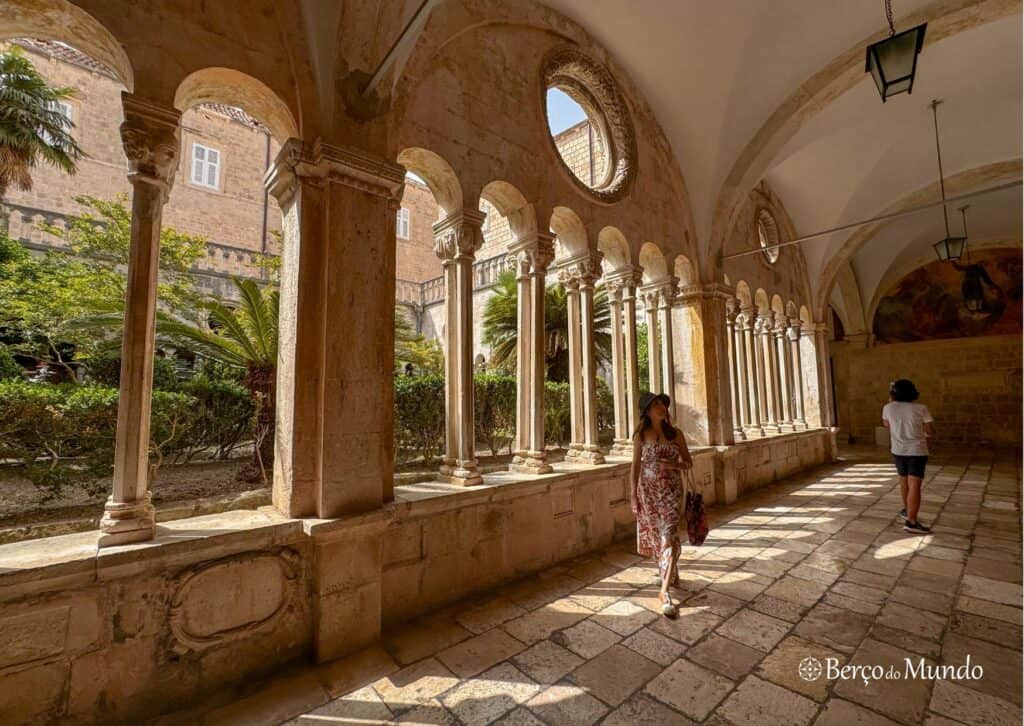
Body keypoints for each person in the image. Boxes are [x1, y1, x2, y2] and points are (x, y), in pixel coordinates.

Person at [631, 392, 693, 618]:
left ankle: (664, 592)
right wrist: (633, 495)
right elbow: (635, 466)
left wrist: (672, 465)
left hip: (671, 493)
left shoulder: (675, 434)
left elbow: (688, 463)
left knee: (668, 536)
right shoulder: (641, 434)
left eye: (662, 404)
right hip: (648, 494)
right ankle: (671, 573)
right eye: (656, 404)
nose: (661, 407)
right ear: (647, 411)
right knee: (659, 538)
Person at [882, 379, 934, 534]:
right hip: (916, 451)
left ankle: (907, 510)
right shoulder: (921, 408)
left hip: (898, 450)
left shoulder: (888, 408)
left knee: (904, 482)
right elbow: (930, 430)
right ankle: (911, 522)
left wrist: (891, 403)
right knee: (915, 486)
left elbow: (887, 424)